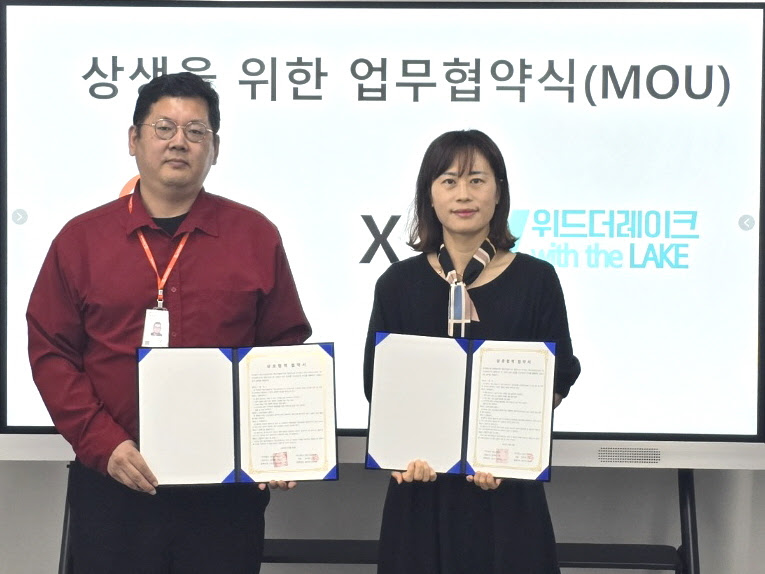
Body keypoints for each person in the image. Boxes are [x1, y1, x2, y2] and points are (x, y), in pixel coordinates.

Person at [26, 72, 310, 573]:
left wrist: (276, 442)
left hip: (223, 496)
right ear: (133, 140)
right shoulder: (81, 240)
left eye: (196, 131)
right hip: (114, 485)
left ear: (215, 149)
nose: (180, 141)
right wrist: (104, 443)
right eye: (163, 127)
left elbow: (283, 345)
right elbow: (51, 352)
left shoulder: (254, 236)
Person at [363, 129, 581, 574]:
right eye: (449, 181)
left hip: (509, 494)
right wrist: (400, 451)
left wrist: (508, 449)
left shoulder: (537, 280)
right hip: (420, 491)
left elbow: (558, 376)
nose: (463, 194)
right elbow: (378, 384)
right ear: (429, 196)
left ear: (499, 192)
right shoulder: (397, 284)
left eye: (477, 180)